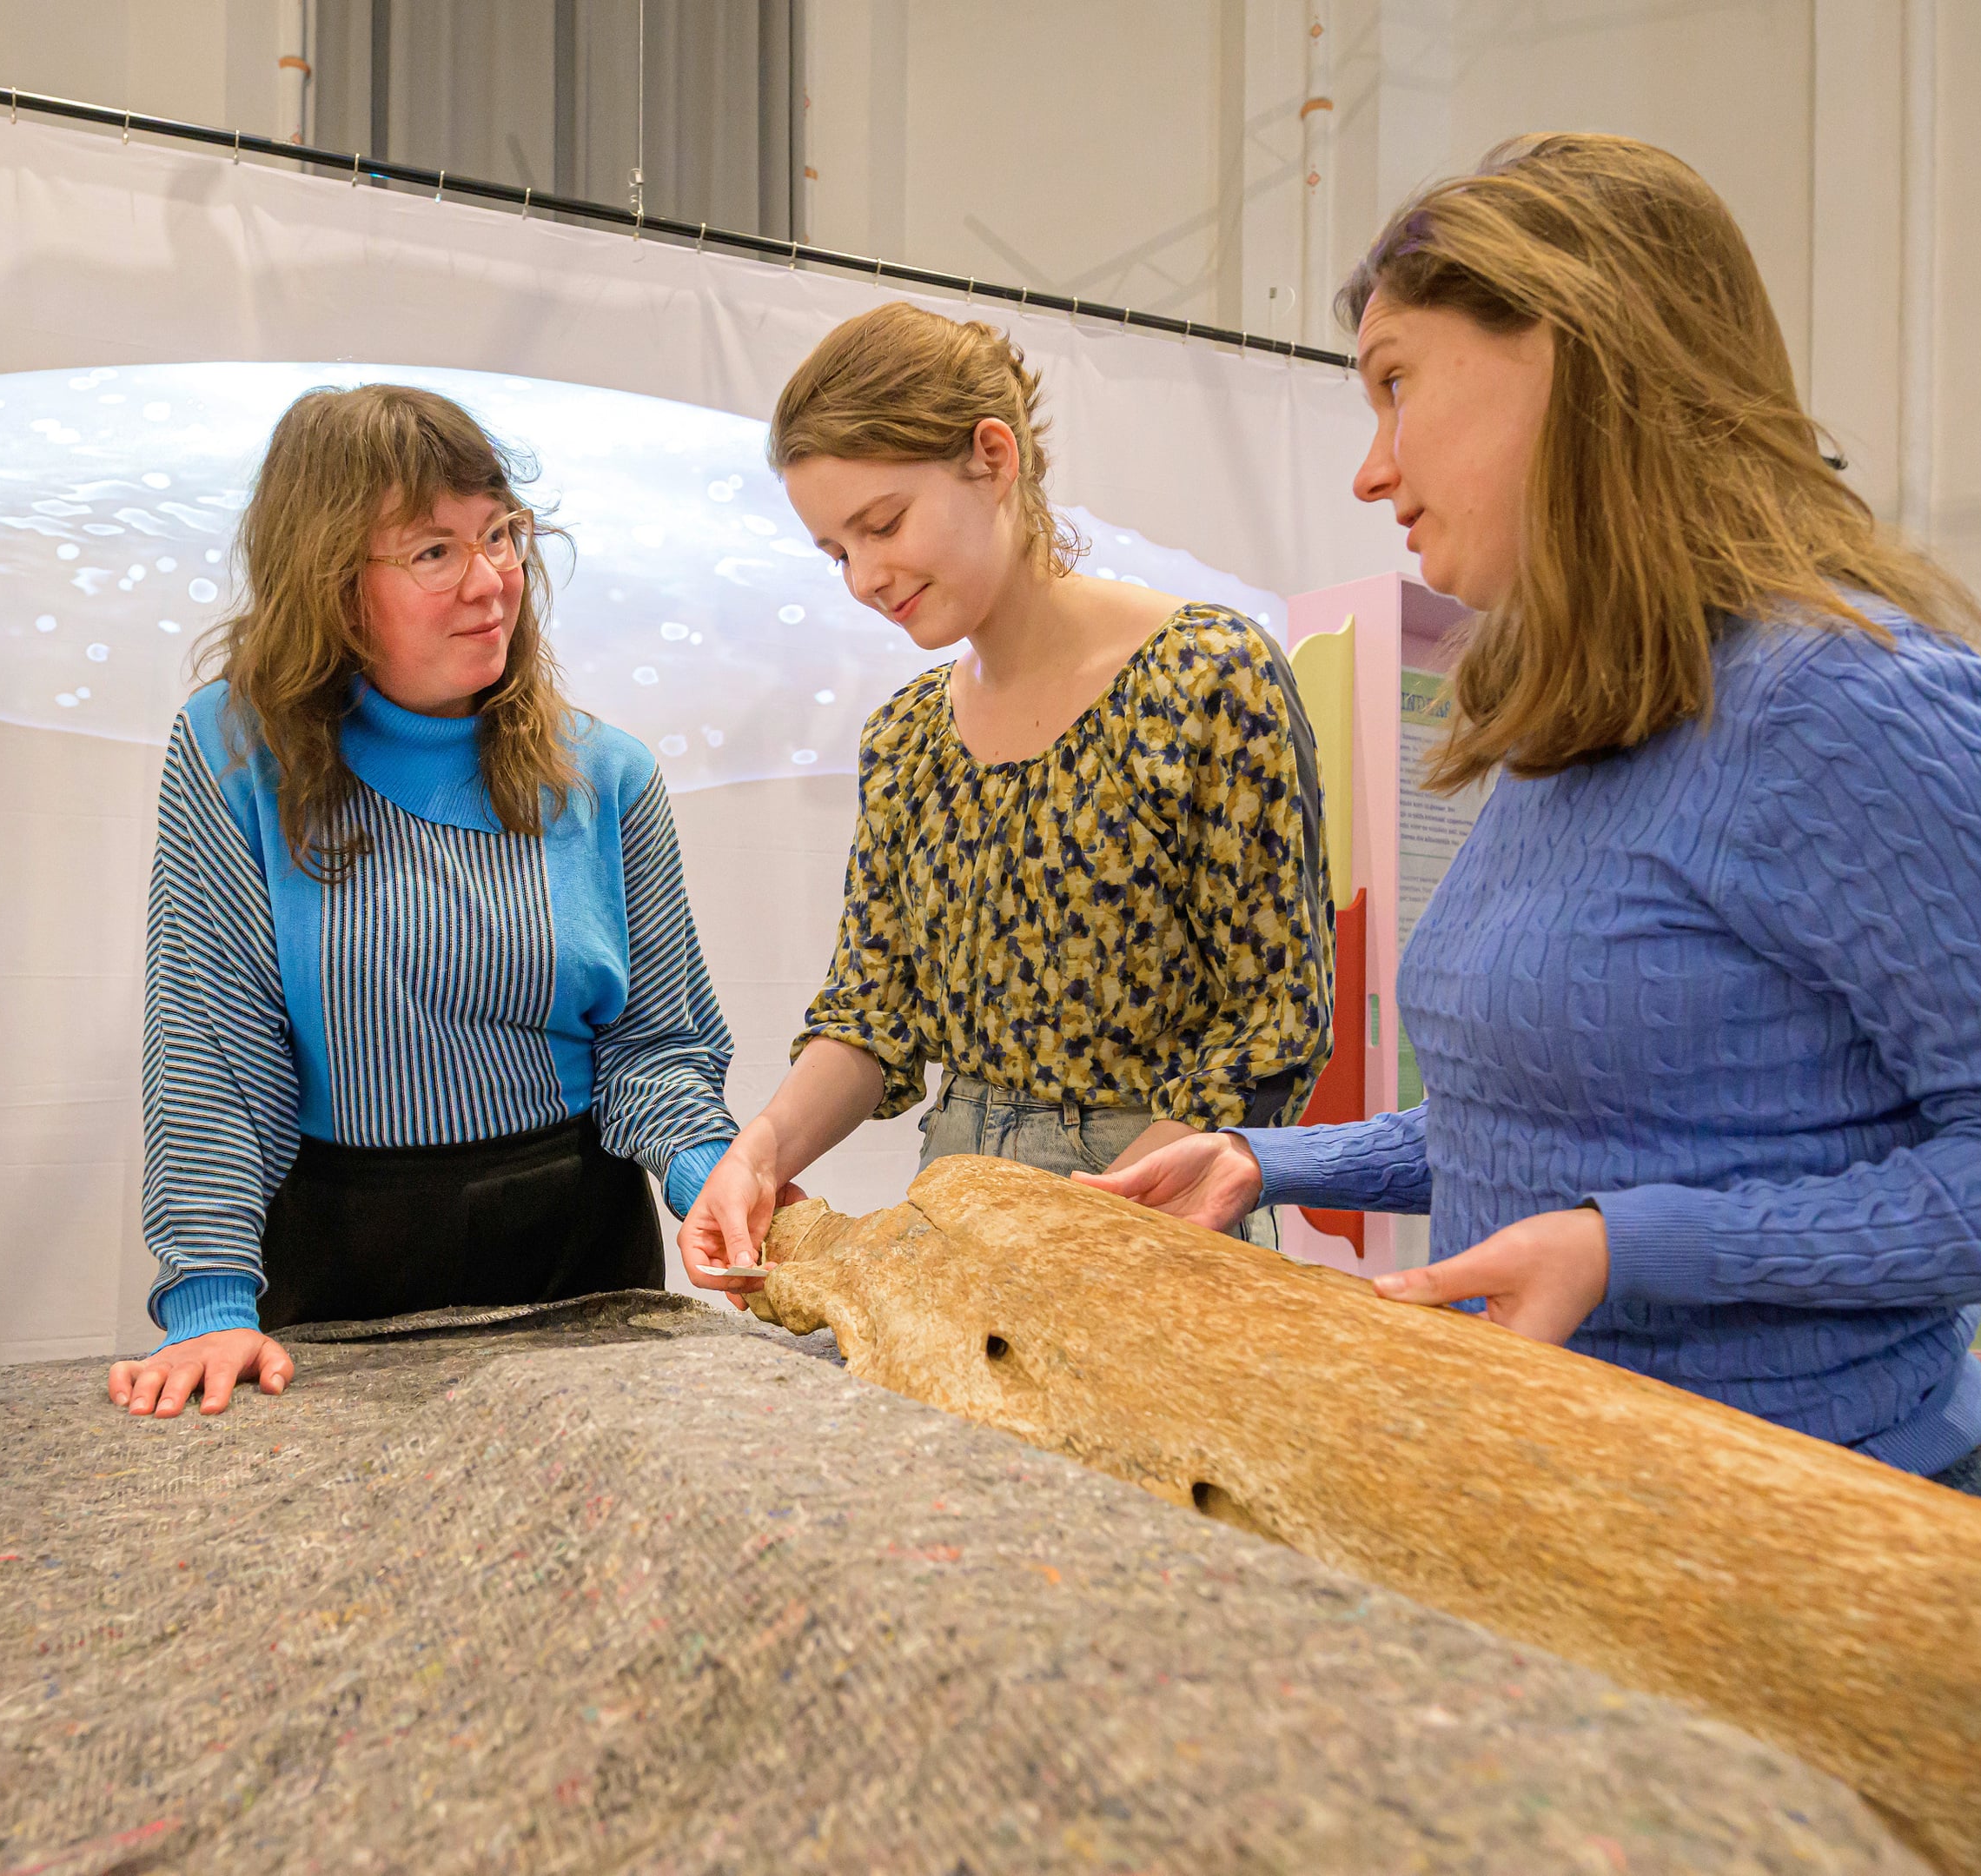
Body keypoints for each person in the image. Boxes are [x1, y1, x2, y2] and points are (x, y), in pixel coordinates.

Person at [1081, 134, 1981, 1501]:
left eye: (1397, 389)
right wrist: (1267, 1157)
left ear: (1574, 353)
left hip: (1810, 1526)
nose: (1371, 472)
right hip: (1567, 1491)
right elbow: (1564, 1129)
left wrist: (1637, 1247)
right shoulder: (1583, 717)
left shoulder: (1852, 708)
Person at [680, 303, 1335, 1295]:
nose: (864, 577)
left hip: (1158, 1218)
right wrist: (758, 1155)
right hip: (962, 1204)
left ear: (993, 456)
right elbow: (874, 1010)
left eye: (883, 523)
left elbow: (1272, 1021)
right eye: (834, 551)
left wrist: (1087, 1224)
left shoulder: (1205, 677)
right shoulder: (905, 740)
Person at [110, 383, 739, 1415]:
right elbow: (212, 1054)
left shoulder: (606, 773)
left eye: (501, 534)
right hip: (341, 1256)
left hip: (576, 1255)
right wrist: (213, 1298)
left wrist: (709, 1175)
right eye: (434, 552)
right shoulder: (233, 753)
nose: (493, 581)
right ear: (329, 582)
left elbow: (654, 1047)